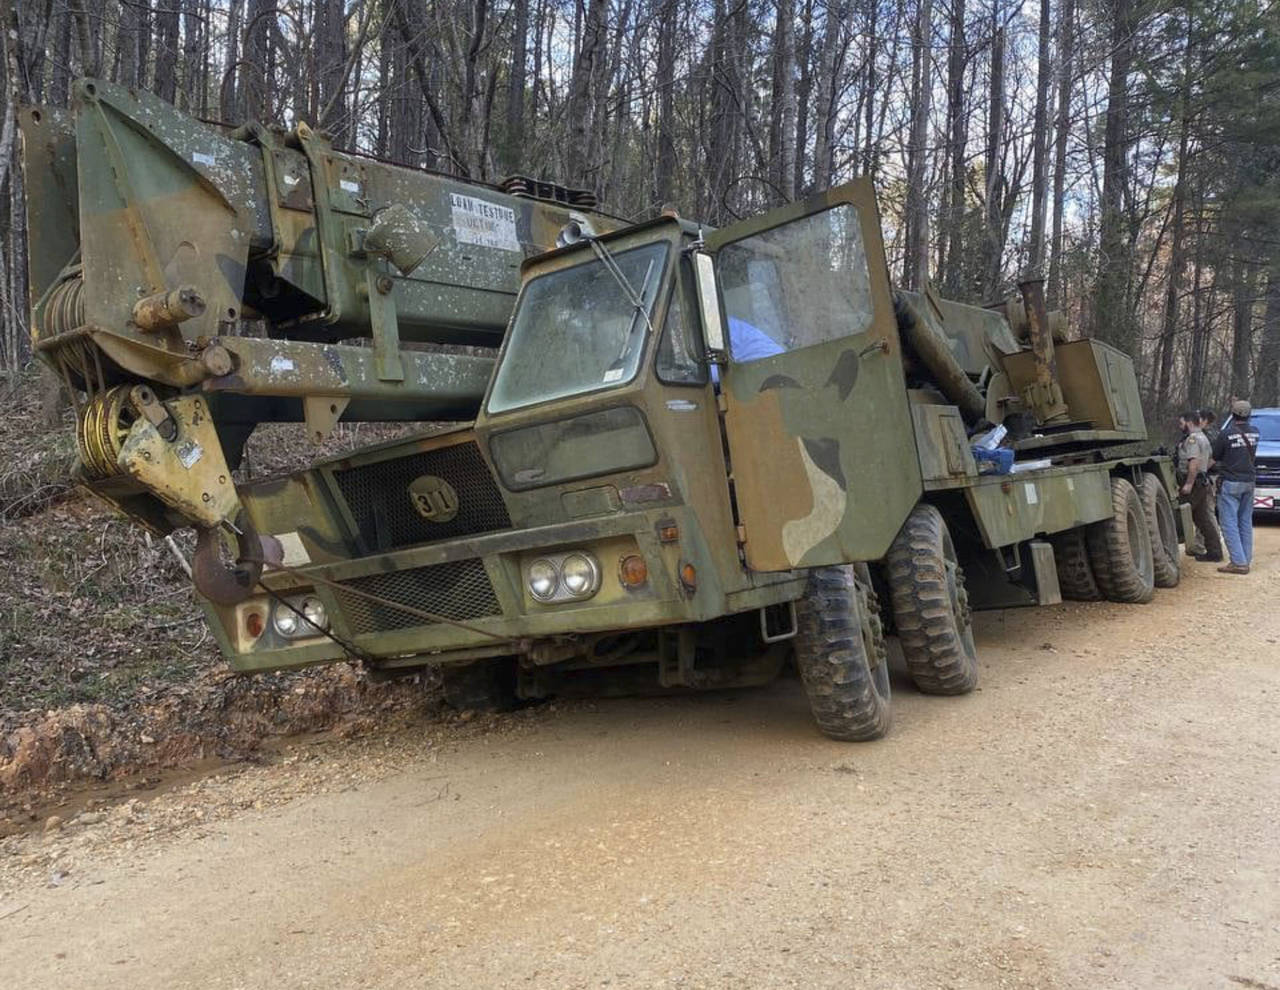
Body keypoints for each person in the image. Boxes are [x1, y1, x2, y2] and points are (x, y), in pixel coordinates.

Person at [1210, 399, 1261, 574]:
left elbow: (1214, 458)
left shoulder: (1225, 434)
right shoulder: (1256, 432)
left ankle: (1238, 563)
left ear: (1232, 415)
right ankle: (1245, 559)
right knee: (1245, 521)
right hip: (1249, 481)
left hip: (1231, 482)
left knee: (1229, 523)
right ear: (1249, 415)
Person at [1176, 410, 1222, 561]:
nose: (1180, 426)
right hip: (1202, 481)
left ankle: (1172, 548)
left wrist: (1188, 484)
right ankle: (1215, 552)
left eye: (1181, 423)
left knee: (1180, 514)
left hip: (1194, 482)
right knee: (1203, 518)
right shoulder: (1203, 437)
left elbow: (1194, 462)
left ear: (1189, 423)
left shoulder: (1193, 439)